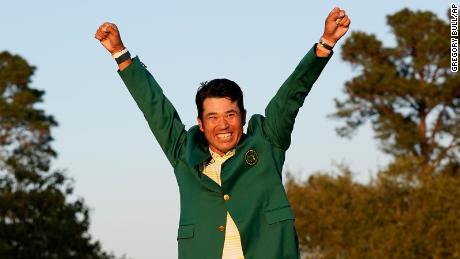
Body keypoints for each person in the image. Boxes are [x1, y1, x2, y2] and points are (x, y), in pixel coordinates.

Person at [95, 7, 350, 259]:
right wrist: (121, 54)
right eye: (213, 117)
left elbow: (291, 95)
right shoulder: (183, 152)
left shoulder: (267, 141)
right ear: (201, 123)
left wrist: (325, 44)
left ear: (243, 116)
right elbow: (154, 108)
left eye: (230, 114)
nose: (223, 125)